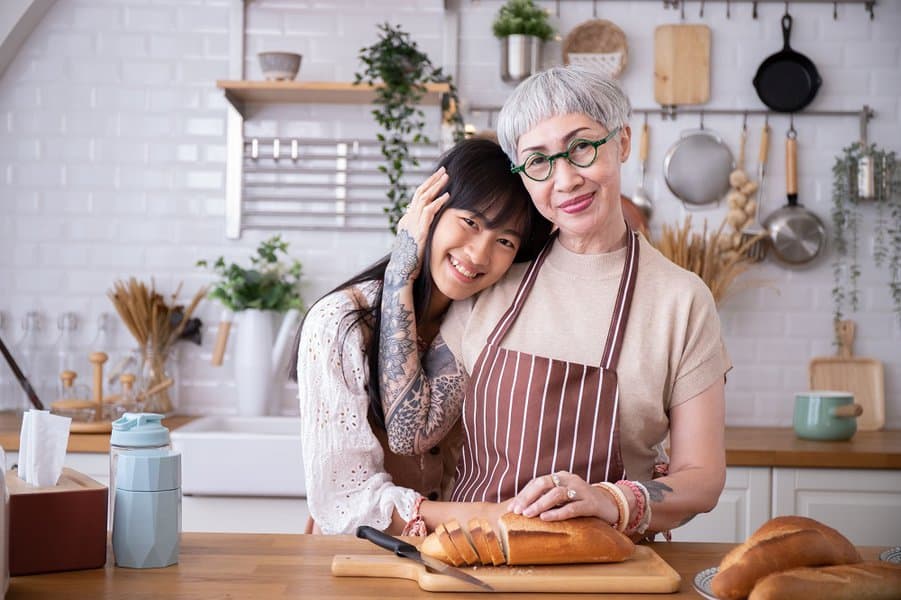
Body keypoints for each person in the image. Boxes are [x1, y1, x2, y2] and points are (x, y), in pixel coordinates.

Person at [379, 66, 731, 539]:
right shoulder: (495, 277)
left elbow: (702, 478)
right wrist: (401, 270)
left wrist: (608, 499)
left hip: (611, 575)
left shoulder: (680, 300)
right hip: (473, 566)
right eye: (538, 161)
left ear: (622, 143)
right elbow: (410, 432)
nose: (564, 180)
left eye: (581, 147)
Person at [292, 137, 552, 535]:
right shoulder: (338, 323)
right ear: (430, 209)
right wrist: (401, 269)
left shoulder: (476, 319)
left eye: (504, 241)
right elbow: (343, 502)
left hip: (453, 556)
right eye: (470, 222)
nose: (479, 255)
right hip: (364, 555)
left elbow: (416, 431)